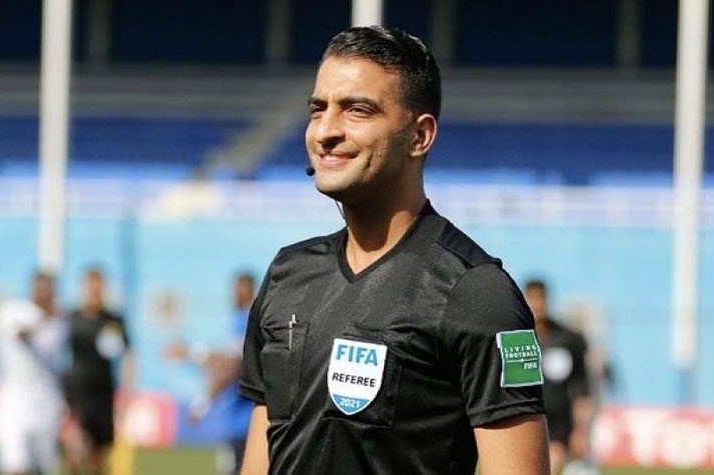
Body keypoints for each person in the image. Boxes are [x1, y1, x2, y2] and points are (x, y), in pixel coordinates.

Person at [239, 26, 549, 475]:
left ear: (419, 136)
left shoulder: (477, 293)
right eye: (318, 109)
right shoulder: (288, 272)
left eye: (357, 110)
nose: (325, 131)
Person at [166, 272, 256, 475]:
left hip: (242, 421)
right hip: (249, 419)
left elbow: (232, 366)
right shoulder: (252, 321)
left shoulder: (244, 321)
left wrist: (202, 402)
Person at [0, 271, 67, 475]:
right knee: (16, 464)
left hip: (47, 401)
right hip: (16, 400)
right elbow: (21, 335)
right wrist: (43, 320)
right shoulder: (14, 311)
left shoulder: (60, 322)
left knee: (41, 467)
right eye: (42, 288)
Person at [63, 267, 135, 475]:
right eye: (91, 286)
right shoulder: (71, 319)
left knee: (98, 457)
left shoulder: (113, 321)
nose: (95, 291)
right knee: (76, 452)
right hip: (77, 395)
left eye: (99, 286)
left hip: (103, 395)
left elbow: (127, 356)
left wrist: (128, 393)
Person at [524, 279, 592, 475]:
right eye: (532, 299)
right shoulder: (516, 337)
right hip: (523, 417)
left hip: (557, 422)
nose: (537, 304)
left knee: (550, 468)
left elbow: (581, 388)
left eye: (541, 298)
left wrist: (581, 430)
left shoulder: (568, 339)